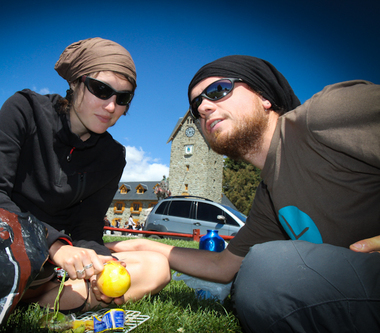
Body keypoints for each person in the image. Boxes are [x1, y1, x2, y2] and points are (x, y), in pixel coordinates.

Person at [107, 55, 380, 332]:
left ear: (265, 96)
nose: (203, 107)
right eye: (195, 105)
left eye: (218, 90)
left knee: (269, 269)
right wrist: (141, 245)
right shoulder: (270, 193)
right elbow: (223, 266)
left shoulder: (323, 116)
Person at [0, 37, 170, 312]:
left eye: (123, 98)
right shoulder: (24, 110)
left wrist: (100, 264)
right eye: (101, 90)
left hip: (61, 262)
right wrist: (53, 246)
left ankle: (43, 299)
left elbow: (87, 227)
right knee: (25, 269)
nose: (111, 107)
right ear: (76, 83)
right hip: (7, 244)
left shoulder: (112, 156)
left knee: (157, 267)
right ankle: (56, 298)